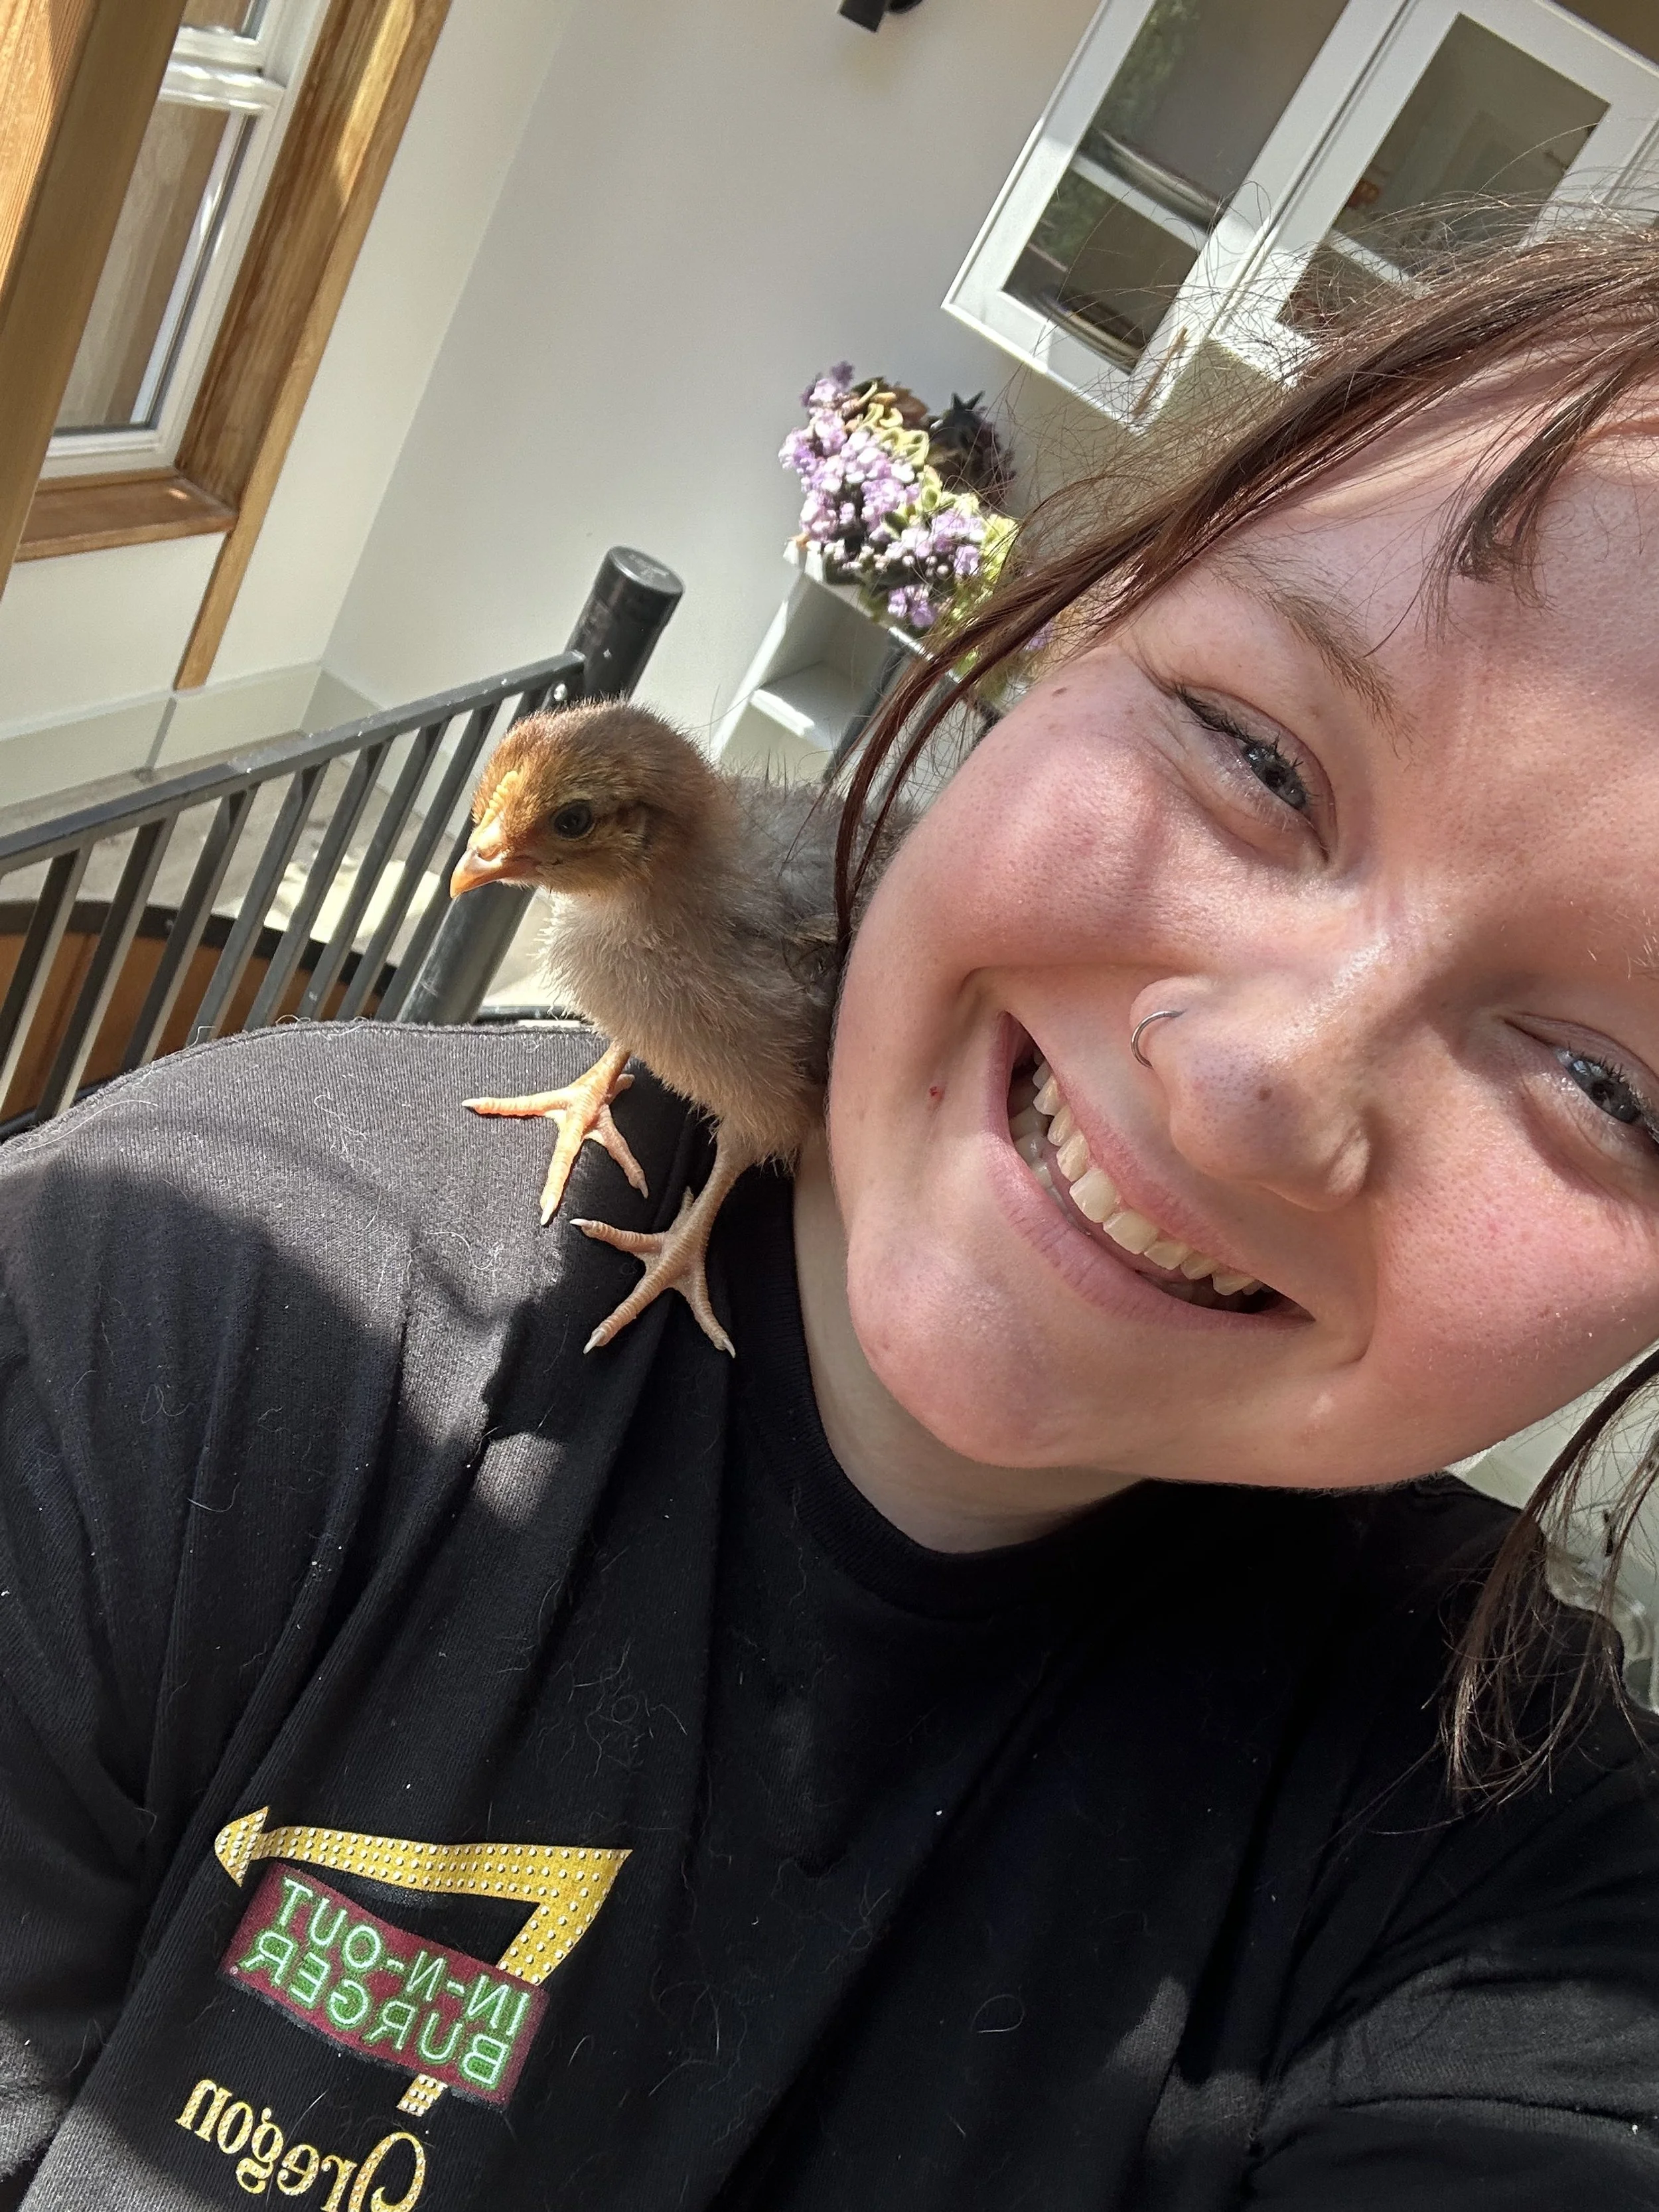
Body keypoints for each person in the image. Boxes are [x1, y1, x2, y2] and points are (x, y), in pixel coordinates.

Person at [5, 227, 1659, 2212]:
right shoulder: (182, 1305)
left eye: (1613, 1081)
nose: (1245, 1086)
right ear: (1070, 635)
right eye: (1254, 751)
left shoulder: (1513, 1884)